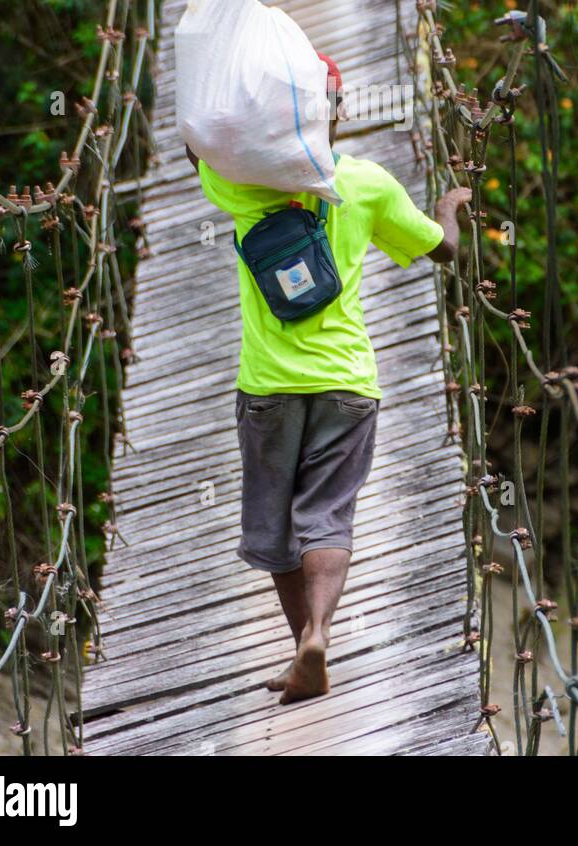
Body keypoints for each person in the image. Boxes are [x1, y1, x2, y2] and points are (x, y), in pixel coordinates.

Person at [186, 53, 471, 704]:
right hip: (348, 384)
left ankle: (301, 657)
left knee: (276, 527)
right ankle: (319, 633)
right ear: (336, 115)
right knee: (327, 518)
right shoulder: (367, 183)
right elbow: (445, 251)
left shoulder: (240, 185)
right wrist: (452, 206)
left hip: (268, 389)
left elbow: (193, 143)